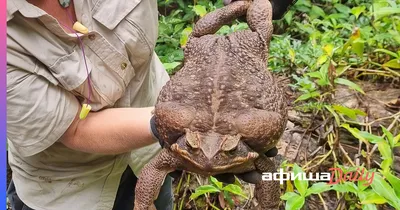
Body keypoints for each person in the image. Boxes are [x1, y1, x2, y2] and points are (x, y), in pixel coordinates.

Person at [6, 0, 297, 210]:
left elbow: (266, 170)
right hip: (69, 186)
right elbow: (74, 128)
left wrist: (258, 5)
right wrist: (171, 127)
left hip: (161, 141)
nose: (208, 160)